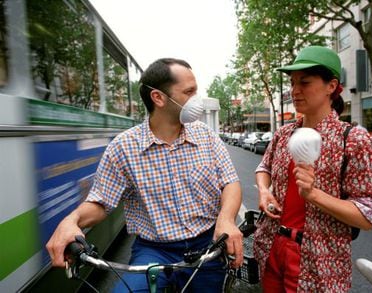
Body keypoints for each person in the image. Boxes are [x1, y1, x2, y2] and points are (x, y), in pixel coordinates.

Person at [46, 58, 243, 292]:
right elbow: (100, 202)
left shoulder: (207, 136)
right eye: (189, 92)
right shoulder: (123, 147)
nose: (197, 100)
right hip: (153, 250)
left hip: (206, 244)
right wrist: (72, 220)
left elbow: (230, 183)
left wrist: (227, 219)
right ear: (158, 98)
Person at [253, 46, 372, 292]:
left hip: (320, 262)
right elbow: (263, 166)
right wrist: (263, 190)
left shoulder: (354, 140)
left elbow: (368, 215)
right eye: (292, 82)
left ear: (331, 86)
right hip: (272, 247)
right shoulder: (284, 133)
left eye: (305, 82)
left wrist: (313, 195)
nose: (295, 90)